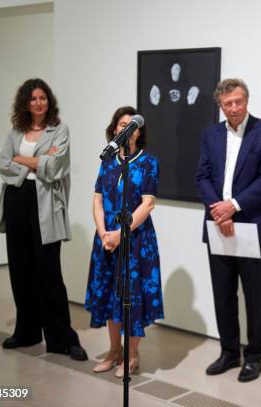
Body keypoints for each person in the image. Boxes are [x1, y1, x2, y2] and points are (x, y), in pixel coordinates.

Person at [0, 78, 87, 361]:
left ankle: (63, 339)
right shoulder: (15, 131)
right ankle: (27, 332)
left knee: (48, 273)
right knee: (20, 270)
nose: (38, 102)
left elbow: (55, 167)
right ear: (25, 103)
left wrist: (21, 161)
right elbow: (3, 164)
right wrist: (36, 161)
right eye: (33, 98)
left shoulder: (59, 131)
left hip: (45, 204)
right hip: (16, 201)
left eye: (42, 97)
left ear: (49, 101)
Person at [196, 78, 261, 382]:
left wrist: (232, 205)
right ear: (220, 105)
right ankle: (229, 353)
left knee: (254, 296)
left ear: (247, 100)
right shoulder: (210, 134)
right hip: (218, 223)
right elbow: (202, 176)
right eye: (228, 103)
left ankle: (254, 357)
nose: (234, 108)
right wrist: (219, 210)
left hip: (252, 225)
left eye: (239, 101)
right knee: (223, 294)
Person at [85, 106, 164, 378]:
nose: (125, 129)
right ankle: (113, 350)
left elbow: (148, 204)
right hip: (106, 239)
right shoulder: (107, 159)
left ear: (139, 132)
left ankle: (132, 354)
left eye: (132, 125)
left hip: (135, 241)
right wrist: (104, 232)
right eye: (121, 124)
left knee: (130, 298)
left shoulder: (148, 161)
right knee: (110, 295)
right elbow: (96, 199)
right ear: (114, 129)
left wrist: (121, 233)